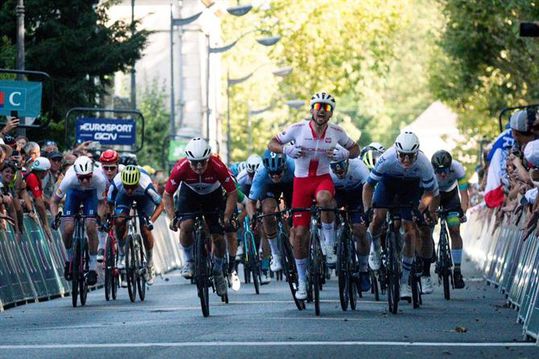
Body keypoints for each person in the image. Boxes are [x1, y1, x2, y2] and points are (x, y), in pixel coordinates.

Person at [268, 92, 360, 300]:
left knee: (326, 200)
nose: (321, 110)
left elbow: (355, 148)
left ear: (331, 113)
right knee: (299, 235)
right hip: (301, 183)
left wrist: (345, 154)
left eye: (326, 108)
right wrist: (285, 149)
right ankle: (302, 280)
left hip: (321, 179)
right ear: (311, 109)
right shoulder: (297, 129)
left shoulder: (336, 132)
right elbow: (271, 143)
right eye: (318, 106)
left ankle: (329, 244)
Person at [362, 131, 438, 300]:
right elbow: (368, 186)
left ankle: (404, 282)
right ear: (396, 151)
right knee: (378, 216)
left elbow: (430, 191)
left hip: (411, 187)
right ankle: (375, 249)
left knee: (410, 229)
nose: (406, 160)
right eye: (402, 156)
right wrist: (367, 209)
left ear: (417, 153)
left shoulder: (424, 164)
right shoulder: (386, 159)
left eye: (411, 156)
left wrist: (420, 208)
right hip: (388, 183)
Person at [163, 138, 238, 298]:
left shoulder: (218, 166)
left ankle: (218, 271)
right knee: (186, 225)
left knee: (218, 236)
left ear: (208, 159)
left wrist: (226, 216)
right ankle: (189, 261)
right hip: (189, 195)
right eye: (194, 163)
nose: (198, 167)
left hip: (213, 196)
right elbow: (167, 194)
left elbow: (232, 192)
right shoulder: (180, 168)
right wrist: (171, 217)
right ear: (188, 160)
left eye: (202, 163)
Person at [50, 156, 108, 286]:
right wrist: (55, 217)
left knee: (91, 227)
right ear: (76, 174)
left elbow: (101, 203)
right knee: (68, 228)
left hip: (91, 196)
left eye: (88, 176)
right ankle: (69, 260)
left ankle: (92, 268)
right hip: (73, 194)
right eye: (82, 178)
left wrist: (98, 217)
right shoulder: (69, 178)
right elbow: (54, 201)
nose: (86, 180)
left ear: (92, 173)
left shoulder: (99, 178)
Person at [107, 165, 164, 285]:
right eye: (127, 187)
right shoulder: (116, 183)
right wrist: (112, 217)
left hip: (144, 198)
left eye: (132, 187)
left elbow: (161, 205)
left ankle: (149, 263)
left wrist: (151, 221)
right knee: (119, 221)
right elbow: (110, 203)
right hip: (123, 199)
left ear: (137, 182)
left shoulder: (146, 185)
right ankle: (122, 255)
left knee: (145, 229)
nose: (129, 191)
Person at [246, 150, 295, 274]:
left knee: (296, 216)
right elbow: (251, 202)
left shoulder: (293, 166)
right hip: (270, 188)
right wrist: (253, 218)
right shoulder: (261, 173)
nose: (275, 176)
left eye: (278, 172)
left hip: (291, 184)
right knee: (267, 212)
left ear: (284, 166)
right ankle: (276, 254)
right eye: (272, 173)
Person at [428, 150, 469, 290]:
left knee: (455, 228)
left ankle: (457, 270)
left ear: (450, 166)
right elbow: (425, 195)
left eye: (445, 170)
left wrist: (463, 212)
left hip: (451, 197)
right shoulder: (428, 171)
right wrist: (427, 213)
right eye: (439, 172)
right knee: (427, 225)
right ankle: (429, 249)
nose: (443, 174)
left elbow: (464, 194)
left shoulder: (458, 168)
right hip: (433, 195)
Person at [329, 154, 371, 292]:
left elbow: (368, 187)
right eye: (336, 169)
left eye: (342, 168)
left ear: (347, 162)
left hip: (357, 195)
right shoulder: (327, 170)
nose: (339, 172)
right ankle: (332, 245)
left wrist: (367, 210)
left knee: (360, 230)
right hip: (338, 194)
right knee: (327, 208)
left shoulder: (358, 166)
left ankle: (364, 269)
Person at [24, 157, 53, 239]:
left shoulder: (36, 178)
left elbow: (42, 199)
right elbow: (39, 203)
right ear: (45, 171)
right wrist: (46, 224)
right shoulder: (32, 177)